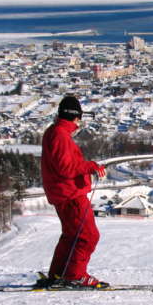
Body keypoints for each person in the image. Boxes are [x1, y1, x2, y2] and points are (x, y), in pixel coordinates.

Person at [40, 96, 107, 288]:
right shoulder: (60, 135)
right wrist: (90, 167)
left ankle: (59, 273)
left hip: (63, 193)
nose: (79, 122)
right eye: (79, 117)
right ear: (74, 116)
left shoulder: (54, 132)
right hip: (70, 194)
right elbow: (66, 167)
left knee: (71, 235)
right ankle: (75, 275)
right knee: (88, 235)